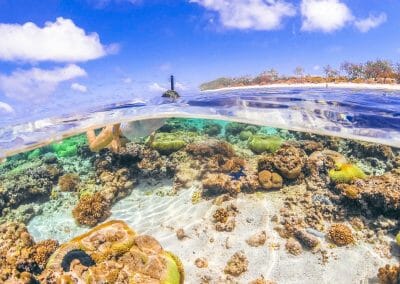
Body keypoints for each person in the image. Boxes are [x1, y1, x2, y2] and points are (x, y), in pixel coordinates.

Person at [86, 118, 167, 152]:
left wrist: (152, 136)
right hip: (114, 132)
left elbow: (151, 126)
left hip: (128, 136)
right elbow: (119, 115)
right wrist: (115, 138)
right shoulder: (148, 110)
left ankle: (105, 125)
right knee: (93, 148)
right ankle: (88, 125)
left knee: (108, 147)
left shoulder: (166, 113)